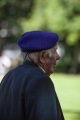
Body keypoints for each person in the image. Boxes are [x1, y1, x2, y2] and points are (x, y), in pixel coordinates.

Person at [0, 30, 65, 120]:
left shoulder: (9, 76)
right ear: (42, 56)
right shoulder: (41, 81)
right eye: (55, 51)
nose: (58, 56)